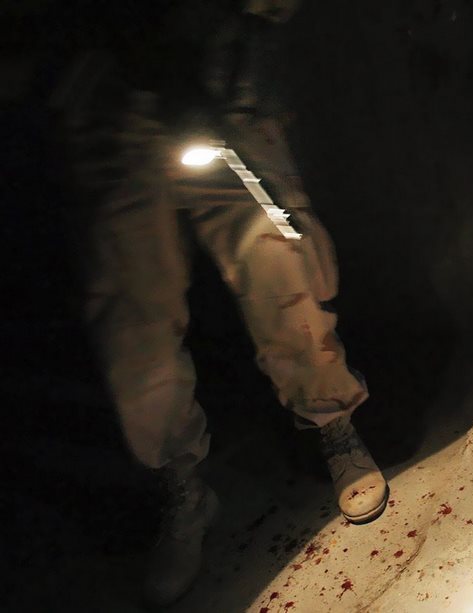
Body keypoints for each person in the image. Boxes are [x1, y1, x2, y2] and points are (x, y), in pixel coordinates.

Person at [48, 0, 388, 605]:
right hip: (106, 95)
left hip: (219, 78)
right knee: (133, 319)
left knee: (282, 260)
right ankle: (182, 485)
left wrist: (252, 29)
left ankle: (333, 422)